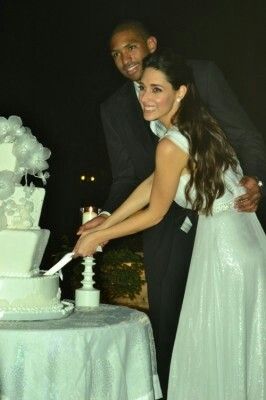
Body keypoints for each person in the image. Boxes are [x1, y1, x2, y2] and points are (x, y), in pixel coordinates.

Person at [78, 21, 266, 398]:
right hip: (246, 242)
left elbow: (155, 210)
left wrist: (100, 236)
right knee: (234, 351)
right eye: (144, 90)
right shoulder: (196, 125)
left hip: (221, 250)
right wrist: (108, 218)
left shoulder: (170, 142)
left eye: (156, 90)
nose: (145, 97)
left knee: (211, 351)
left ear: (179, 91)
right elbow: (150, 182)